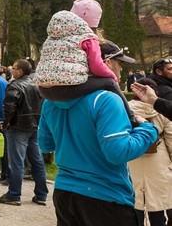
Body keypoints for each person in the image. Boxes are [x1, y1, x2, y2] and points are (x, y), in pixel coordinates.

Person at [38, 41, 158, 224]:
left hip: (65, 193)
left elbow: (46, 145)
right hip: (104, 195)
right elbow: (117, 153)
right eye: (120, 63)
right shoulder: (106, 99)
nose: (120, 69)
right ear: (106, 63)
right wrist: (149, 130)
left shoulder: (50, 102)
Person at [36, 4, 133, 122]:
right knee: (110, 82)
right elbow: (96, 66)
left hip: (44, 89)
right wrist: (112, 78)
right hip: (69, 89)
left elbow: (44, 140)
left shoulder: (52, 39)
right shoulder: (88, 38)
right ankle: (131, 117)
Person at [0, 59, 48, 206]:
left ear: (20, 71)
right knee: (37, 161)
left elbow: (9, 108)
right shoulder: (36, 84)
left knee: (16, 162)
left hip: (18, 128)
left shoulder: (15, 85)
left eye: (14, 68)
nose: (12, 70)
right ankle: (41, 194)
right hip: (34, 126)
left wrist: (5, 124)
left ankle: (14, 194)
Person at [127, 78, 172, 226]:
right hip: (159, 163)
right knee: (158, 206)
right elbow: (171, 139)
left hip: (131, 158)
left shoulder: (124, 109)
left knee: (135, 204)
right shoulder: (162, 111)